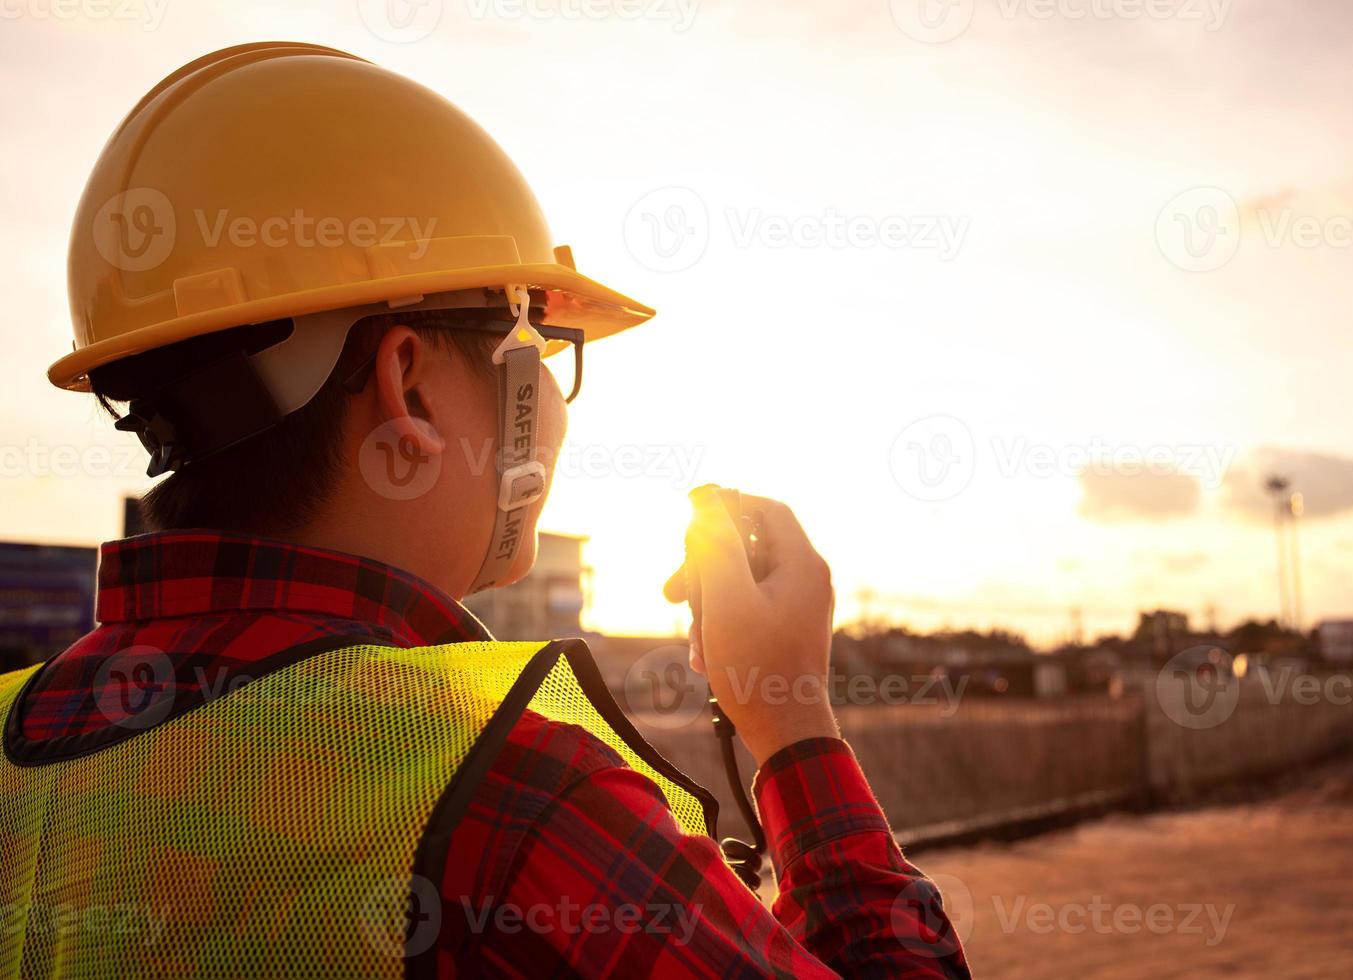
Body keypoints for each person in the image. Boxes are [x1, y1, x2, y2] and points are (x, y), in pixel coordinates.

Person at [0, 42, 969, 978]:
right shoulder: (514, 798)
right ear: (409, 387)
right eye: (540, 349)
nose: (553, 406)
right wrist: (793, 722)